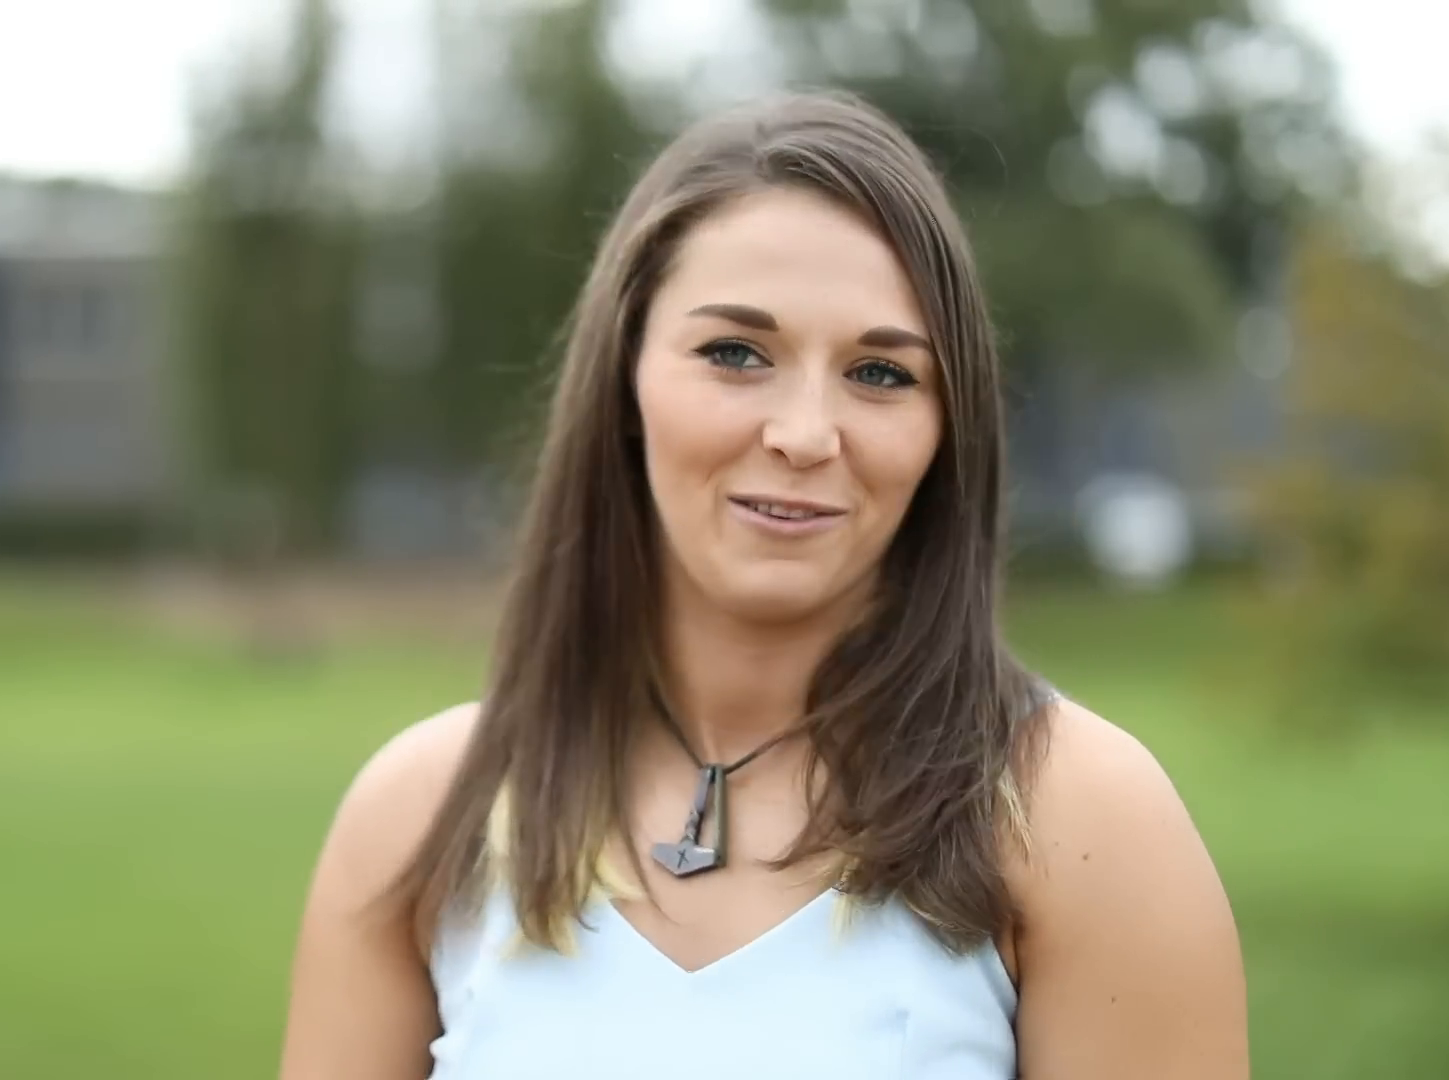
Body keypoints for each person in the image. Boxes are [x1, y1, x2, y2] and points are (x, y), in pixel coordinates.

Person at [279, 91, 1248, 1079]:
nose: (804, 434)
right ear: (624, 378)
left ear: (947, 425)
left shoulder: (1079, 818)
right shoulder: (421, 816)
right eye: (735, 354)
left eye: (881, 373)